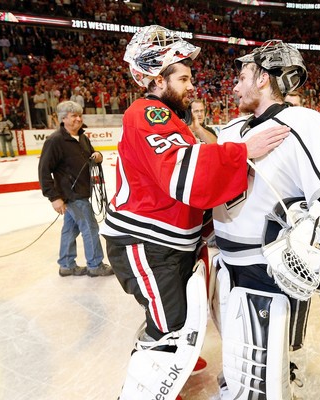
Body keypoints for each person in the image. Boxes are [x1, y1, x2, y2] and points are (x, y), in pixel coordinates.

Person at [99, 26, 289, 400]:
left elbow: (190, 185)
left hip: (166, 244)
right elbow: (183, 172)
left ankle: (174, 361)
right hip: (145, 243)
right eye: (183, 78)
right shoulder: (148, 113)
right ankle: (143, 387)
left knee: (179, 320)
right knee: (168, 329)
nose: (190, 87)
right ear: (157, 80)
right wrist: (242, 151)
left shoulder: (170, 119)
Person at [212, 40, 320, 399]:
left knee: (262, 373)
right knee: (237, 349)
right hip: (225, 263)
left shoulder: (302, 121)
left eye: (243, 77)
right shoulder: (231, 130)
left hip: (265, 266)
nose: (235, 86)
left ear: (265, 78)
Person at [38, 101, 113, 278]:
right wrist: (54, 197)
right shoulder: (55, 141)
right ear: (63, 119)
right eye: (74, 116)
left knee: (70, 229)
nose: (78, 119)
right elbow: (43, 170)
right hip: (71, 194)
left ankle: (66, 264)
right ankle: (95, 264)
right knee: (90, 227)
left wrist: (98, 157)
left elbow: (91, 155)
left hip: (81, 191)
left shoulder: (82, 138)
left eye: (80, 116)